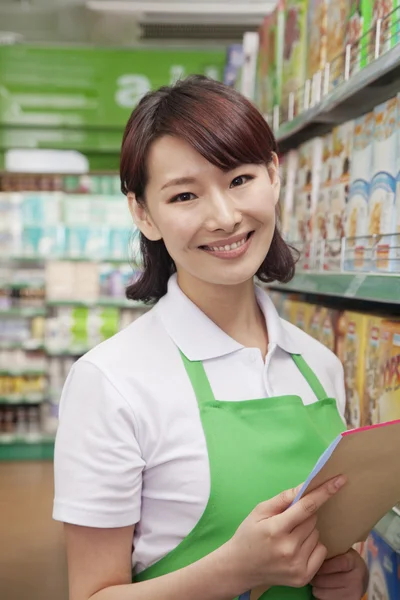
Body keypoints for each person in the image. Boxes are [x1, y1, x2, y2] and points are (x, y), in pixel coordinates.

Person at [53, 76, 368, 600]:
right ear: (143, 213)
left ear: (273, 173)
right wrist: (237, 570)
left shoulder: (320, 363)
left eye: (240, 179)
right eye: (184, 195)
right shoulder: (109, 382)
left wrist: (346, 577)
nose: (224, 217)